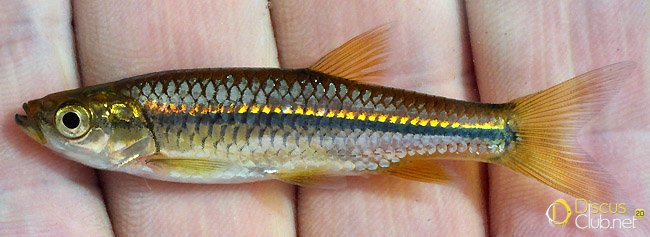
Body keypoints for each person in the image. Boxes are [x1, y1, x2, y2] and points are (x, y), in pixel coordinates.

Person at [1, 1, 647, 236]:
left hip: (356, 129)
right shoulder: (152, 135)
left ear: (121, 123)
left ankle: (508, 132)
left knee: (493, 130)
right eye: (71, 122)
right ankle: (504, 132)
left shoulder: (158, 147)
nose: (58, 129)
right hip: (341, 132)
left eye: (75, 122)